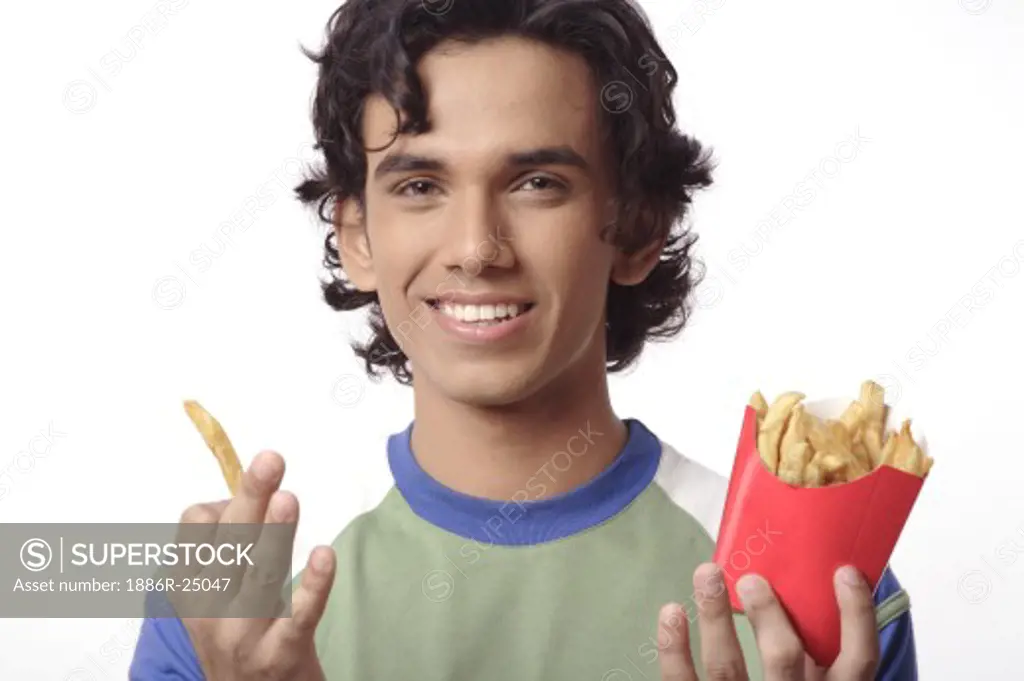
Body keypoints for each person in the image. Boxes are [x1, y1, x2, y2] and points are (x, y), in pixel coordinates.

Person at [129, 0, 918, 678]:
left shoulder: (818, 588)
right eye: (420, 185)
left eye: (537, 183)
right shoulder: (229, 596)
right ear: (359, 235)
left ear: (639, 226)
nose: (477, 247)